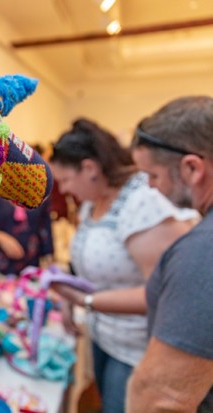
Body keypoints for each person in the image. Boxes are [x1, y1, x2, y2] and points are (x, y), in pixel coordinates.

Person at [49, 118, 196, 413]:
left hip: (136, 349)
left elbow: (165, 292)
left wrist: (86, 300)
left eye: (65, 180)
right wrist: (68, 293)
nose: (62, 190)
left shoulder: (143, 202)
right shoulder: (92, 203)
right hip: (105, 337)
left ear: (90, 168)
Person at [127, 96, 213, 413]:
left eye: (154, 175)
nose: (151, 188)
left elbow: (161, 399)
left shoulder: (203, 249)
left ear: (192, 168)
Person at [0, 197, 54, 276]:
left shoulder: (40, 193)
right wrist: (0, 238)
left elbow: (46, 232)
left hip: (31, 268)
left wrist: (48, 268)